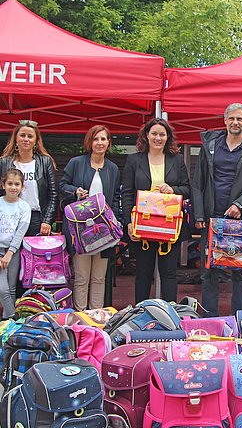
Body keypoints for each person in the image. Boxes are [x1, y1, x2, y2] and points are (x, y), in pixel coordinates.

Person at [192, 103, 242, 316]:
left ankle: (239, 321)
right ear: (225, 121)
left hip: (239, 220)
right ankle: (209, 320)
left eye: (240, 119)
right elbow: (197, 182)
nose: (235, 123)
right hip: (211, 218)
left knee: (239, 272)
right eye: (232, 119)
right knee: (209, 271)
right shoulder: (210, 147)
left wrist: (240, 204)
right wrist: (199, 214)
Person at [122, 118, 190, 304]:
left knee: (169, 274)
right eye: (154, 134)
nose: (158, 138)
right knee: (143, 274)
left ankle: (170, 314)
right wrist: (129, 222)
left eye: (162, 134)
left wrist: (173, 189)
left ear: (168, 137)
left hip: (169, 226)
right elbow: (127, 192)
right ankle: (140, 314)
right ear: (146, 135)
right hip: (143, 225)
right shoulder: (134, 160)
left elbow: (187, 188)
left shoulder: (177, 160)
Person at [59, 125, 121, 311]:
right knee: (81, 277)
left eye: (103, 139)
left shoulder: (113, 168)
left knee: (99, 278)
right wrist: (75, 191)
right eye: (96, 139)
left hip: (104, 230)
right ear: (89, 142)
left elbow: (116, 198)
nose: (99, 143)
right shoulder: (76, 163)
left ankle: (96, 319)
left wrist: (118, 224)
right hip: (79, 230)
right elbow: (62, 185)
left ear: (108, 143)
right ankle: (80, 318)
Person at [0, 120, 58, 236]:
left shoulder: (45, 162)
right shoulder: (4, 162)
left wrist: (47, 221)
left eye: (30, 136)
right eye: (22, 135)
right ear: (16, 138)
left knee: (33, 253)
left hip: (36, 218)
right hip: (10, 217)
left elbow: (53, 194)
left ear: (35, 141)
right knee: (11, 253)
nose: (26, 139)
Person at [0, 169, 31, 319]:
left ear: (22, 186)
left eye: (17, 184)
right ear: (3, 185)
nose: (13, 187)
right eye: (10, 183)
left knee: (12, 289)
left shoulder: (24, 207)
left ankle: (6, 327)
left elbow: (21, 231)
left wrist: (10, 252)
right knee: (2, 289)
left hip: (13, 251)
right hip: (0, 250)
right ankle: (12, 319)